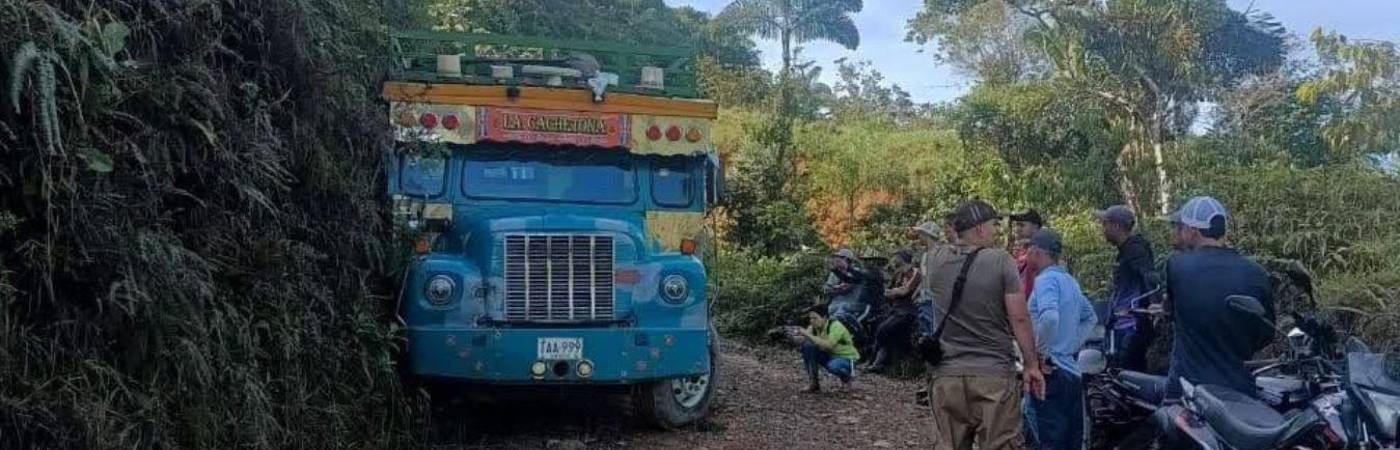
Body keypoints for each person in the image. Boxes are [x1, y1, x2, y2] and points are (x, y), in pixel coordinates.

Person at [926, 200, 1045, 450]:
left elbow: (935, 244)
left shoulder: (935, 260)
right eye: (994, 224)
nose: (997, 230)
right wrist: (1031, 365)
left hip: (947, 376)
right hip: (993, 376)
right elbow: (1019, 317)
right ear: (979, 228)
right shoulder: (1001, 261)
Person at [1162, 196, 1274, 400]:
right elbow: (1266, 334)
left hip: (1188, 389)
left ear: (1192, 231)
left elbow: (1170, 312)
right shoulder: (1256, 273)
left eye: (1181, 227)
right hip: (1238, 391)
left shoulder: (1177, 266)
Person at [1022, 229, 1097, 450]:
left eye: (1028, 251)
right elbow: (1090, 317)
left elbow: (1050, 316)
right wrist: (1071, 346)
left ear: (1036, 252)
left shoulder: (1045, 281)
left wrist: (1041, 354)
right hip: (1071, 373)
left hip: (1050, 374)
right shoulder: (1070, 281)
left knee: (1048, 440)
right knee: (1070, 441)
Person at [1094, 204, 1159, 372]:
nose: (1103, 229)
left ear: (1116, 226)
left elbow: (1150, 278)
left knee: (1127, 374)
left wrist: (1153, 306)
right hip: (1122, 326)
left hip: (1131, 327)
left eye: (1105, 224)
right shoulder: (1126, 250)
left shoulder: (1135, 250)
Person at [863, 249, 921, 373]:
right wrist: (895, 291)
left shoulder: (915, 273)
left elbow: (906, 291)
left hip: (908, 310)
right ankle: (878, 362)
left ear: (902, 258)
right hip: (894, 308)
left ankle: (875, 361)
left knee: (884, 329)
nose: (894, 260)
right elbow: (887, 291)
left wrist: (896, 291)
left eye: (896, 257)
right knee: (879, 327)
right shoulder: (897, 273)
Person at [797, 304, 861, 393]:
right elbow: (805, 341)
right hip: (830, 355)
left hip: (846, 357)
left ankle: (846, 379)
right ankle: (813, 383)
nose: (812, 321)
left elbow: (829, 345)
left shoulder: (835, 326)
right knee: (807, 346)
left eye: (815, 318)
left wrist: (808, 335)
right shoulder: (814, 327)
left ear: (824, 317)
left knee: (833, 366)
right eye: (810, 318)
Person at [823, 249, 867, 321]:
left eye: (839, 257)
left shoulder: (855, 272)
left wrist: (834, 289)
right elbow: (826, 289)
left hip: (850, 304)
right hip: (834, 305)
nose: (836, 259)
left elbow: (845, 288)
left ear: (846, 259)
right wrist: (834, 289)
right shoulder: (834, 274)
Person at [1009, 209, 1045, 297]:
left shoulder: (1044, 250)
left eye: (1022, 225)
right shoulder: (1018, 250)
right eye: (1016, 225)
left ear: (1035, 227)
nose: (1017, 229)